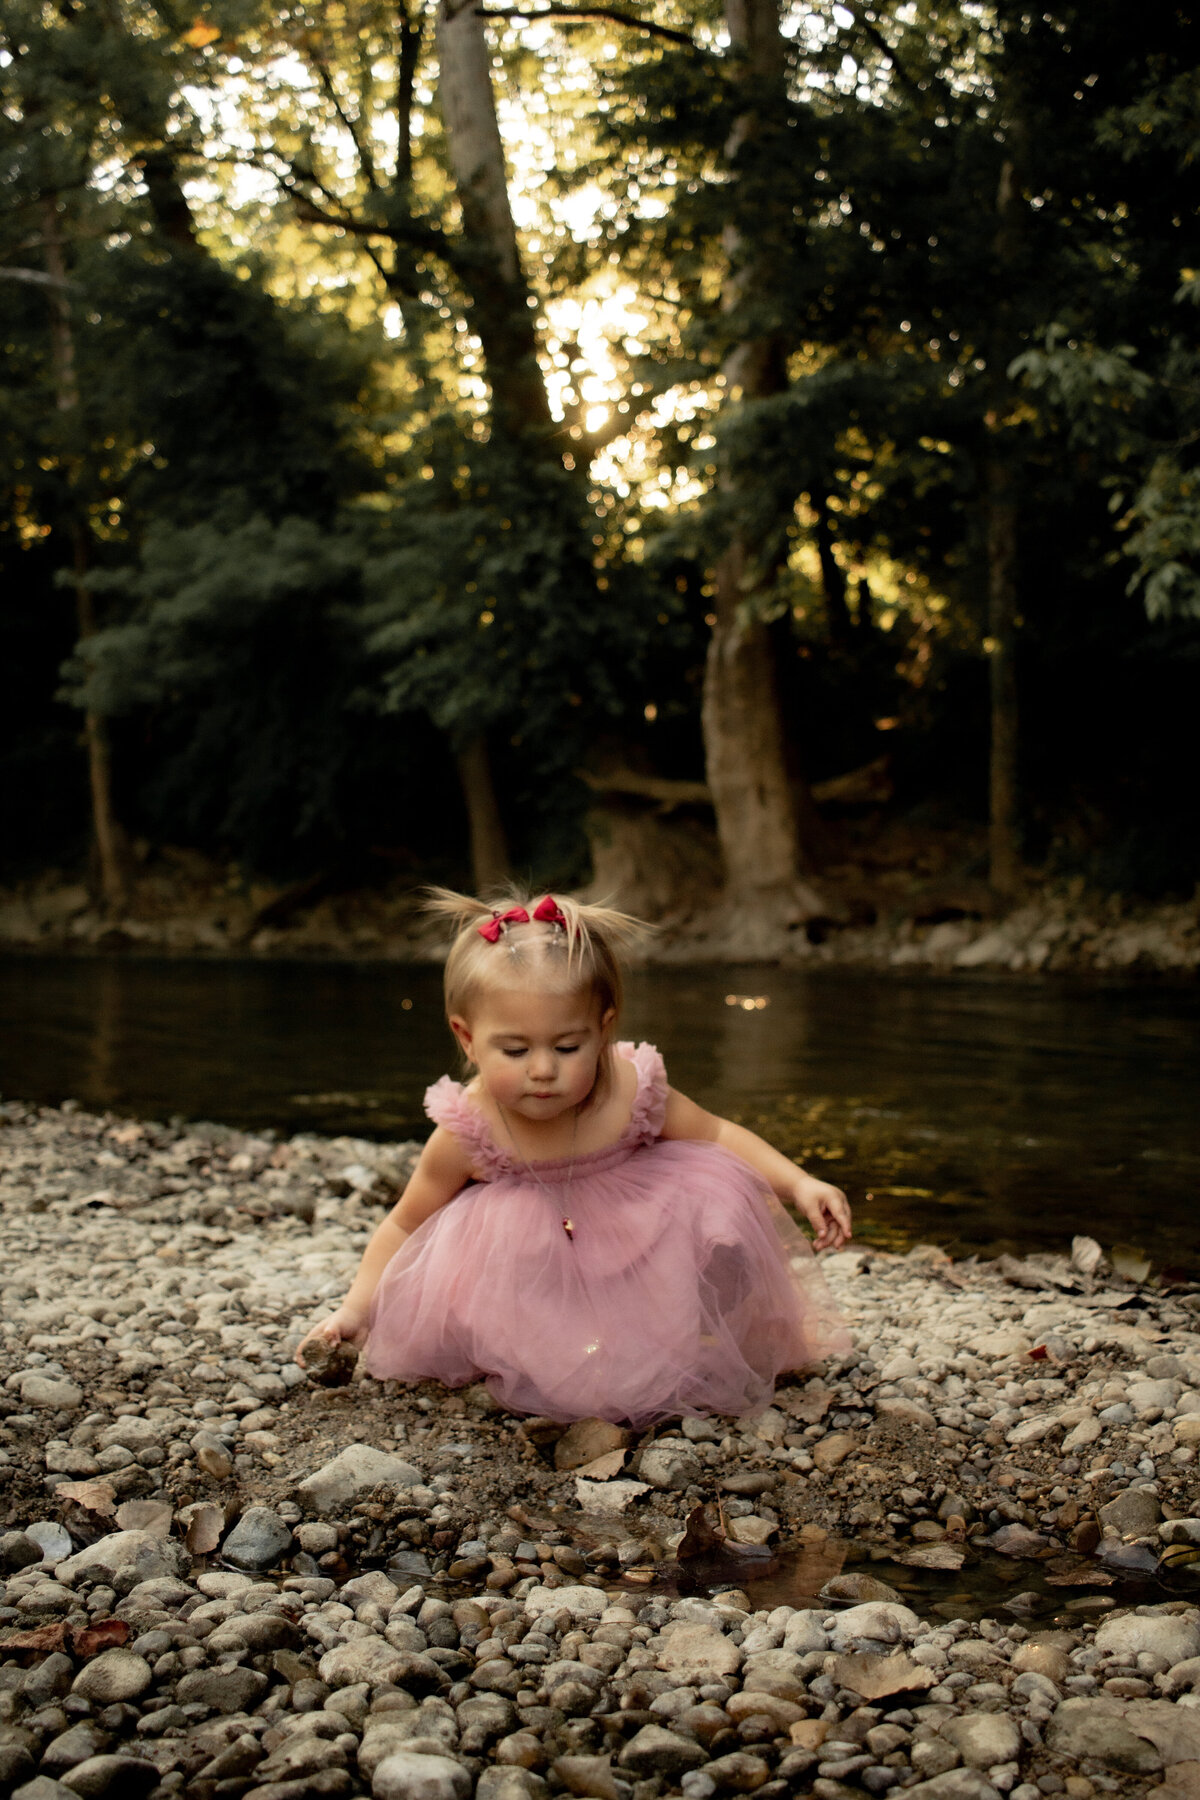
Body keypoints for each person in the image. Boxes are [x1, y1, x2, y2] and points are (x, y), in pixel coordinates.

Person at [297, 889, 851, 1425]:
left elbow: (717, 1134)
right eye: (515, 1050)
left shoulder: (631, 1089)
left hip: (633, 1246)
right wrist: (355, 1309)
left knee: (719, 1193)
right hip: (535, 1275)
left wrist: (799, 1183)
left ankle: (702, 1334)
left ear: (604, 1028)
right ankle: (547, 1357)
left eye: (567, 1047)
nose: (543, 1069)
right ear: (467, 1039)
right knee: (533, 1300)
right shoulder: (470, 1130)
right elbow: (405, 1223)